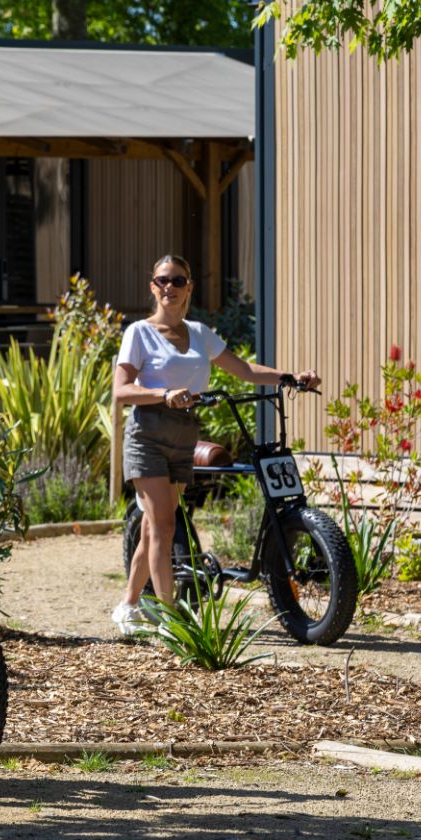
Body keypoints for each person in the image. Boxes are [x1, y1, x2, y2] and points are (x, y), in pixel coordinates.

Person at [110, 254, 320, 635]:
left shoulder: (201, 334)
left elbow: (244, 370)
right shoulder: (138, 333)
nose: (169, 288)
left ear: (189, 286)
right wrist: (164, 394)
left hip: (184, 435)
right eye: (161, 281)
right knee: (161, 524)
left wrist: (291, 378)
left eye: (177, 280)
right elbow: (121, 390)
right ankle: (172, 620)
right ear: (152, 287)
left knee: (153, 527)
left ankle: (128, 605)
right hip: (148, 434)